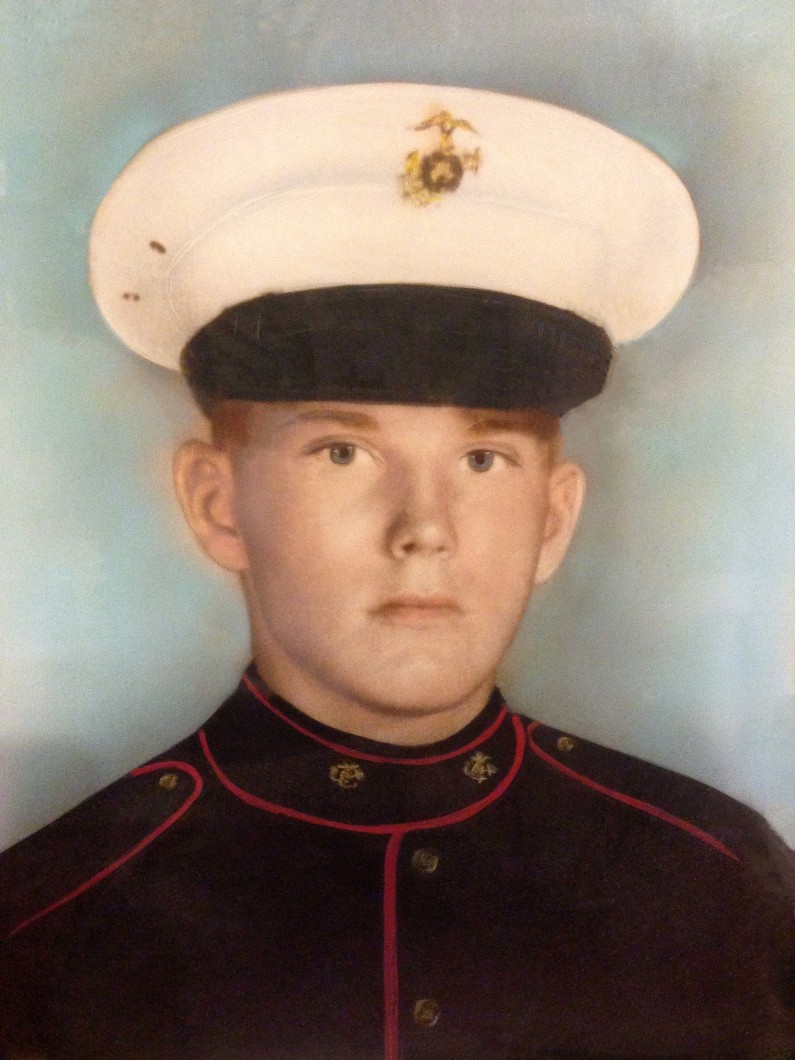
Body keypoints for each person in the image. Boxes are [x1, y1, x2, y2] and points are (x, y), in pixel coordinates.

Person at [1, 83, 793, 1059]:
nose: (424, 529)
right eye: (343, 454)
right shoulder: (43, 928)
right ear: (217, 503)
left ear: (552, 519)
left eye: (483, 460)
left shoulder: (723, 890)